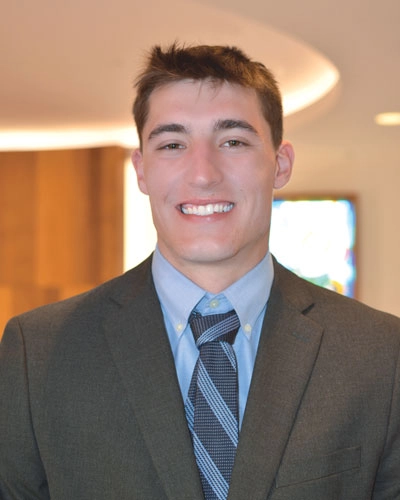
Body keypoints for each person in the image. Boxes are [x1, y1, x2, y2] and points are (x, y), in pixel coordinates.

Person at [1, 43, 400, 500]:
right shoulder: (38, 354)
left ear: (280, 164)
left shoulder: (380, 355)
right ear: (142, 171)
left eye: (233, 142)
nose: (204, 174)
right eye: (172, 145)